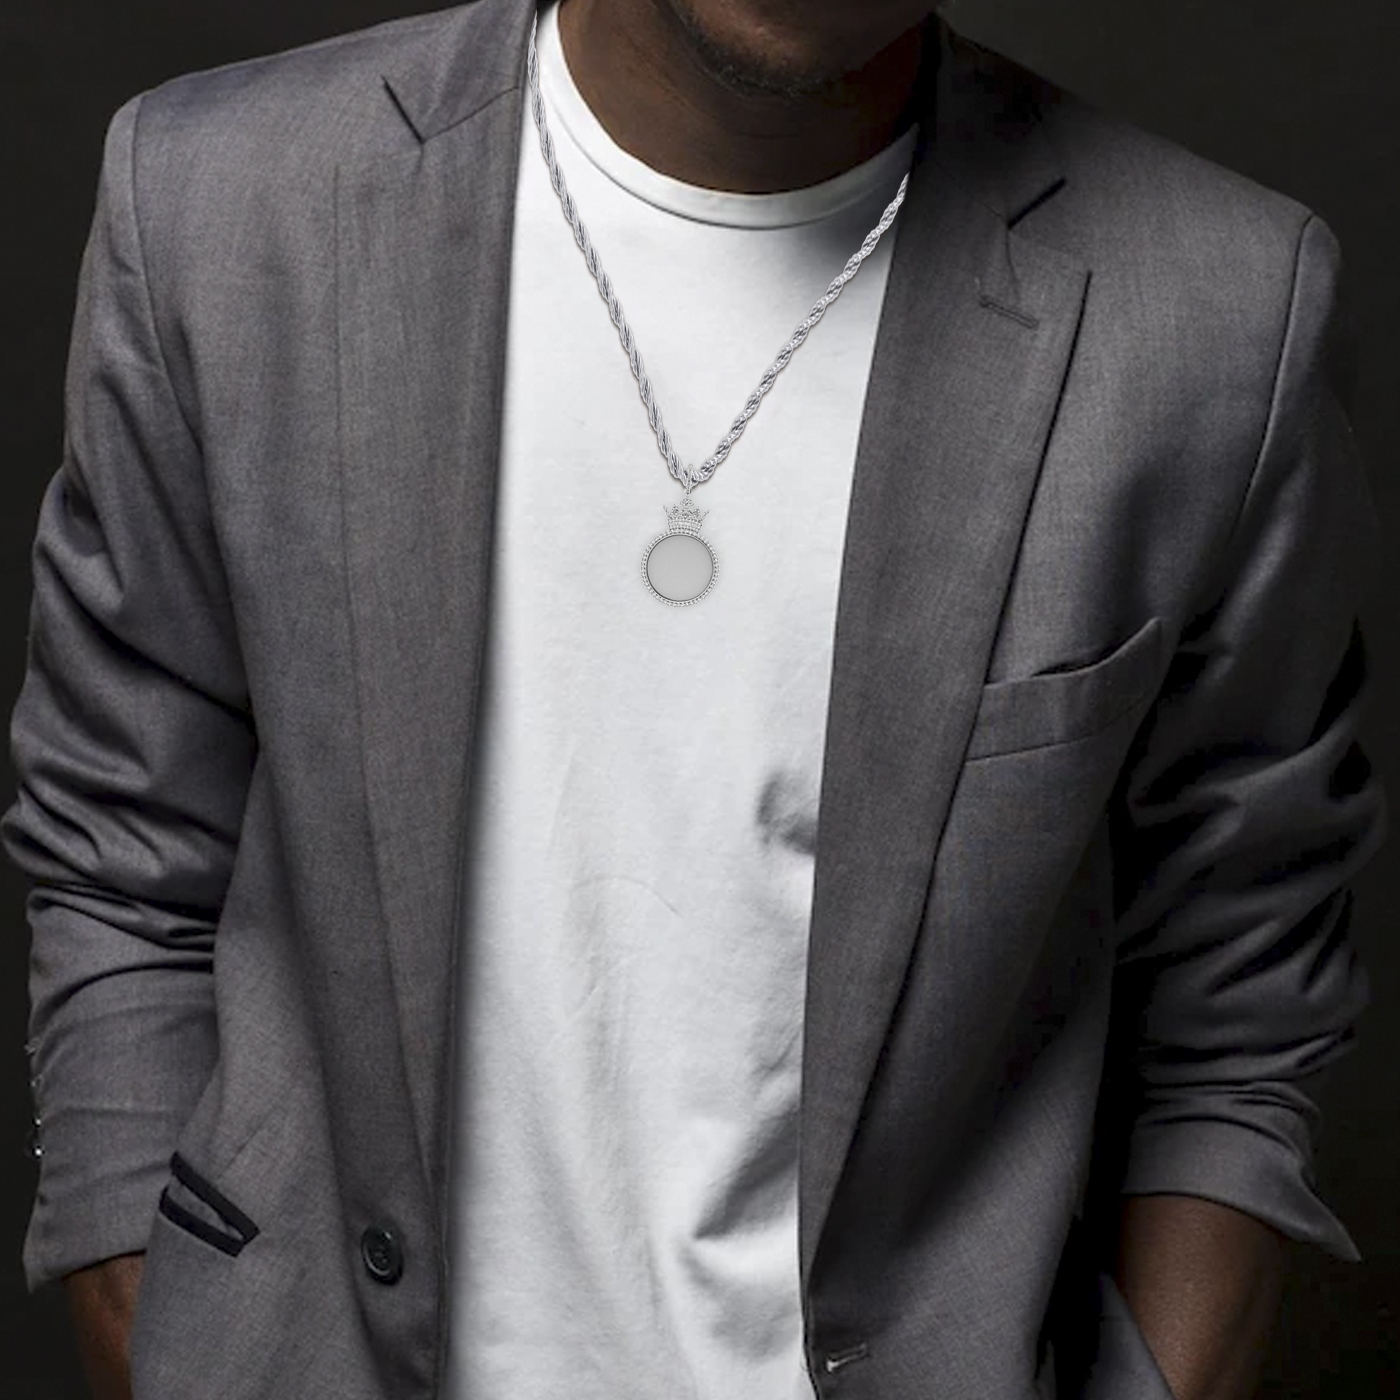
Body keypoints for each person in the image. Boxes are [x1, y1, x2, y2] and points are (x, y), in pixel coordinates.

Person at [2, 0, 1384, 1396]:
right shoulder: (224, 205)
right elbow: (123, 857)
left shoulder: (1216, 314)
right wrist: (168, 1340)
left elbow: (1239, 988)